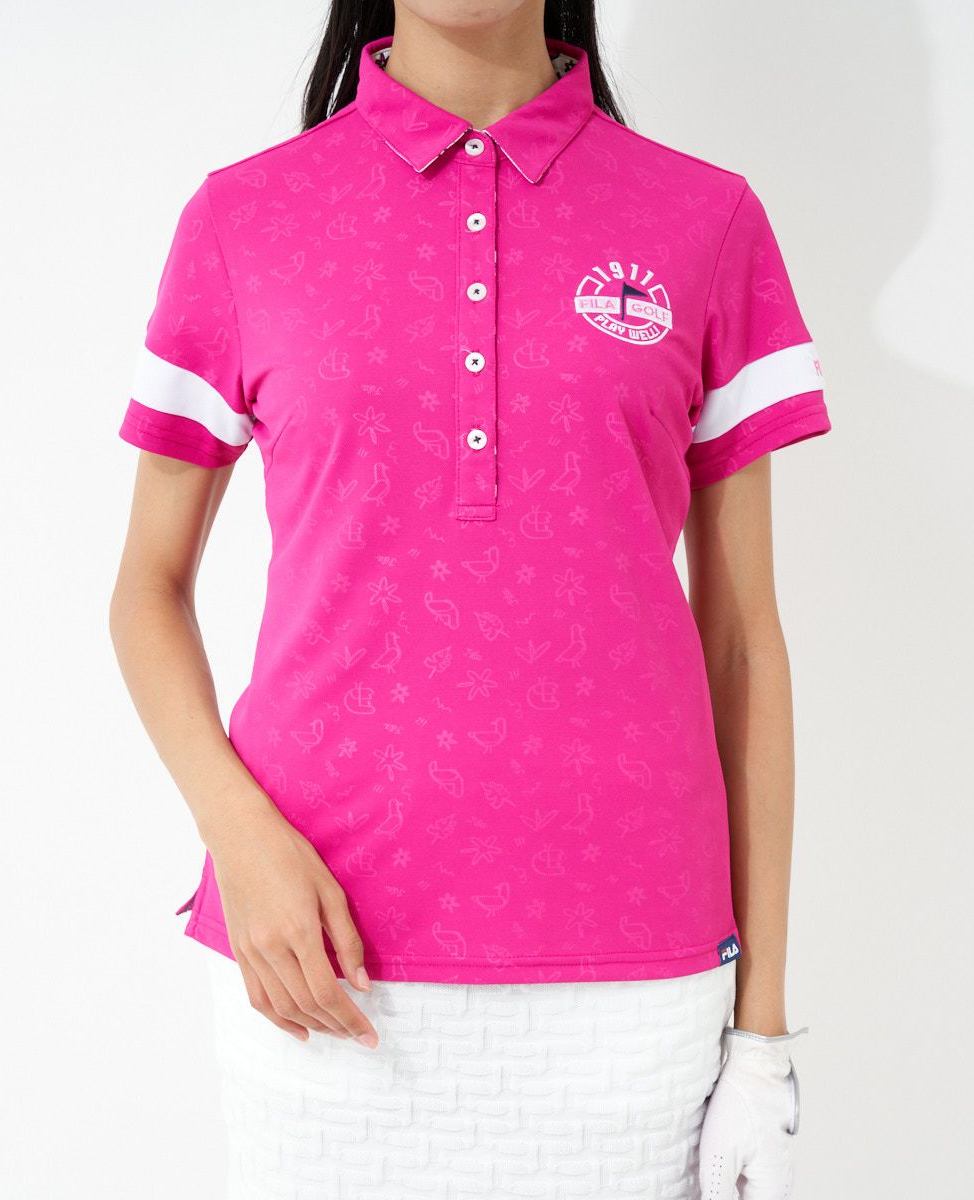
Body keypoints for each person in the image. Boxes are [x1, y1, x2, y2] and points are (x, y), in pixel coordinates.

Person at [109, 2, 829, 1196]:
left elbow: (743, 642)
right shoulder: (244, 217)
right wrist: (239, 842)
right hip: (315, 958)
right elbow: (146, 587)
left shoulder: (704, 219)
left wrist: (761, 1036)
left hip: (637, 969)